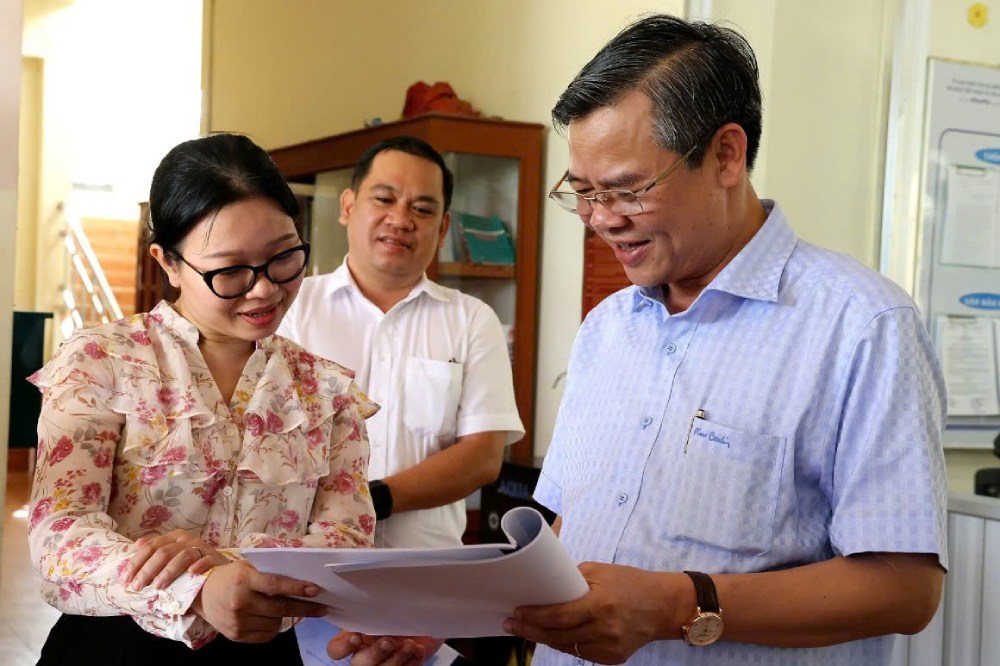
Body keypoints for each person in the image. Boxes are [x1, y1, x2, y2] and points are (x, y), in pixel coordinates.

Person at [332, 14, 948, 666]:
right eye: (585, 192)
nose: (600, 220)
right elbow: (573, 535)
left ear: (726, 155)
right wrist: (453, 620)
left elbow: (905, 589)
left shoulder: (862, 328)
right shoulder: (609, 328)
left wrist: (678, 607)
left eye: (627, 190)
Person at [27, 133, 378, 665]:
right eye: (230, 270)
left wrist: (230, 561)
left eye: (284, 258)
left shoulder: (326, 391)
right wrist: (196, 590)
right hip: (117, 647)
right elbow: (59, 534)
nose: (263, 290)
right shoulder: (101, 363)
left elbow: (347, 539)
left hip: (265, 653)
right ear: (167, 262)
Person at [278, 135, 524, 550]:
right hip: (309, 564)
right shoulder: (291, 307)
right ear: (348, 207)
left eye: (422, 208)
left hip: (426, 571)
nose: (401, 219)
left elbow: (483, 456)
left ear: (443, 226)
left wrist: (376, 500)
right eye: (385, 199)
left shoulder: (471, 320)